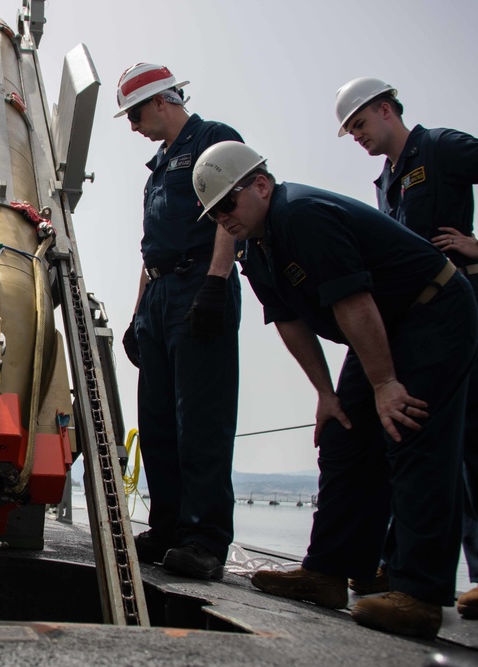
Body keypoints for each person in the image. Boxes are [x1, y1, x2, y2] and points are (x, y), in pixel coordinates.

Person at [192, 140, 477, 639]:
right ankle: (327, 572)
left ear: (260, 185)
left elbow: (353, 298)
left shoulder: (301, 214)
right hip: (378, 326)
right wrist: (327, 395)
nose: (224, 219)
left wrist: (386, 383)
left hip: (432, 311)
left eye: (228, 204)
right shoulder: (254, 246)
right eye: (214, 213)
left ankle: (420, 593)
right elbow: (288, 321)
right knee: (345, 437)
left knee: (411, 432)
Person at [336, 76, 478, 618]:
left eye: (360, 125)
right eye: (350, 132)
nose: (358, 137)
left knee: (470, 444)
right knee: (425, 438)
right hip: (416, 325)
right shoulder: (386, 181)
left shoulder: (440, 148)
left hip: (460, 308)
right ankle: (396, 566)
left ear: (386, 109)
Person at [115, 63, 242, 580]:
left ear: (163, 100)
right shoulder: (157, 169)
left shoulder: (213, 139)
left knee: (201, 420)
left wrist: (216, 280)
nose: (133, 125)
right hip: (161, 294)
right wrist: (137, 313)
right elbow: (151, 252)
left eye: (137, 113)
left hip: (198, 286)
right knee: (159, 420)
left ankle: (204, 538)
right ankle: (167, 525)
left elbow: (230, 210)